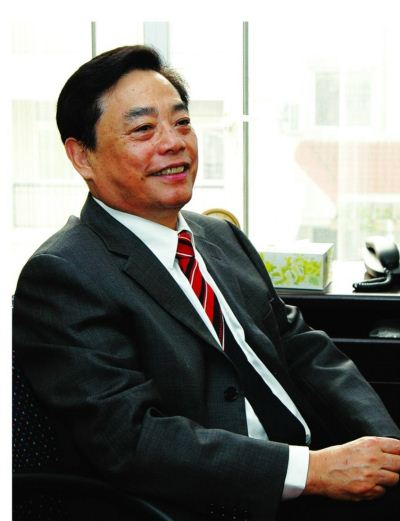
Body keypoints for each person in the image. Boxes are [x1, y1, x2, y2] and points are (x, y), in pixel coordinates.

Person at [13, 45, 400, 521]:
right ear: (81, 157)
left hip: (318, 467)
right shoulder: (63, 274)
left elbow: (304, 349)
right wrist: (312, 471)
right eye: (143, 129)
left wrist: (387, 447)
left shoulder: (220, 237)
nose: (174, 143)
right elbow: (131, 440)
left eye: (181, 122)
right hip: (218, 502)